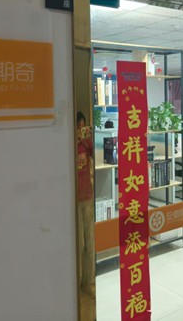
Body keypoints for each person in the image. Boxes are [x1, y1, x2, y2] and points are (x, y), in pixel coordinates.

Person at [75, 112, 95, 297]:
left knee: (90, 243)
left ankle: (88, 283)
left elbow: (94, 156)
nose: (81, 130)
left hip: (88, 196)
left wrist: (88, 139)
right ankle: (77, 284)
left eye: (83, 127)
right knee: (78, 245)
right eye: (78, 127)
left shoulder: (86, 145)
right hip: (74, 201)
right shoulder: (69, 146)